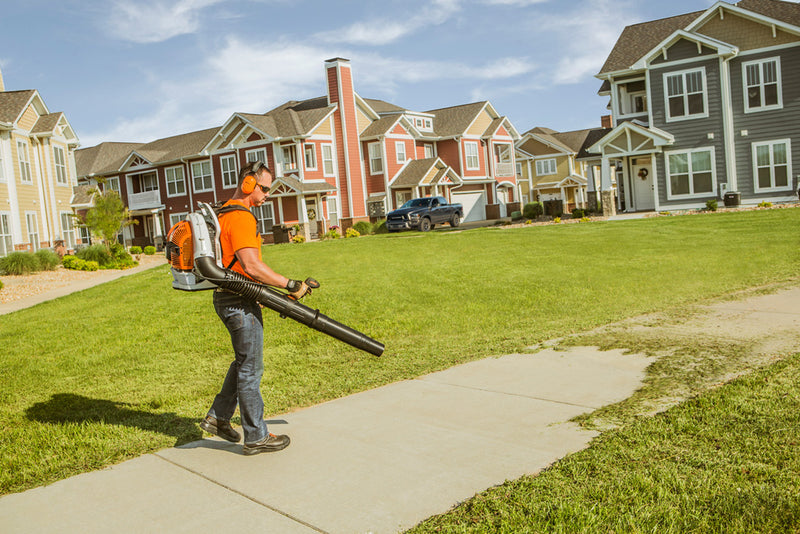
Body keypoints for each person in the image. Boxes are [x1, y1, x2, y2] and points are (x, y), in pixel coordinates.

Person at [199, 160, 312, 455]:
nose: (267, 194)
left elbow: (240, 267)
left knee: (242, 362)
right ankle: (256, 436)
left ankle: (218, 418)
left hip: (229, 296)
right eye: (264, 188)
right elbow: (252, 265)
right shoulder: (241, 217)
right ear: (248, 183)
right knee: (251, 367)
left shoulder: (223, 211)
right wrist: (290, 284)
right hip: (239, 301)